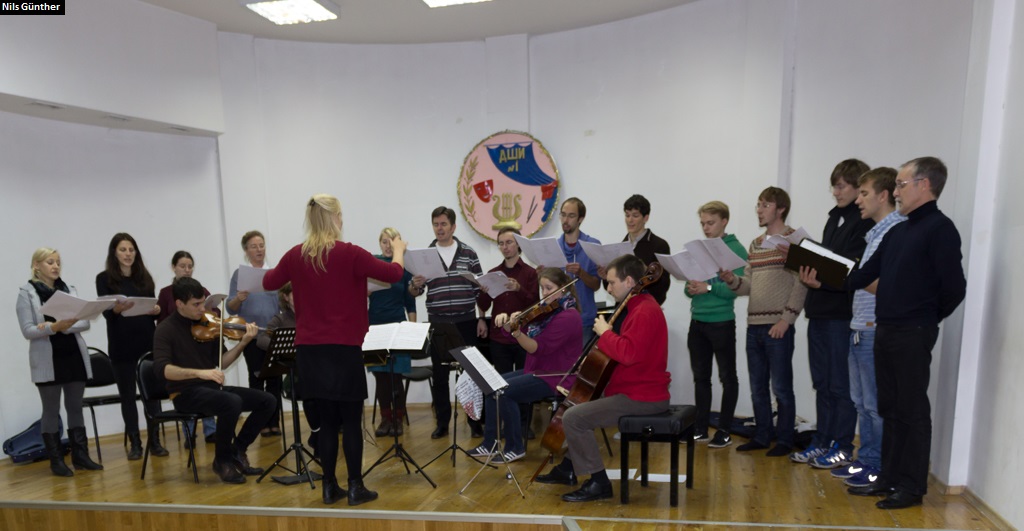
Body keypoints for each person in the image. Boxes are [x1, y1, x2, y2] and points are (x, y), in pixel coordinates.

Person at [263, 193, 407, 506]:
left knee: (327, 422)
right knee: (351, 421)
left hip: (310, 352)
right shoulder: (350, 253)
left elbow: (269, 281)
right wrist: (397, 251)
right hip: (343, 348)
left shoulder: (296, 254)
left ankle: (329, 487)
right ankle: (355, 487)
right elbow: (394, 274)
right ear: (336, 218)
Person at [844, 157, 966, 510]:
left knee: (911, 410)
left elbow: (954, 288)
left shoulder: (940, 229)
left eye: (900, 184)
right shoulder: (898, 231)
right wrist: (821, 276)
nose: (895, 192)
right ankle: (889, 477)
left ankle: (912, 487)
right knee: (890, 408)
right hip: (886, 329)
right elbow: (863, 275)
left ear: (924, 185)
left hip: (913, 331)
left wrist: (925, 319)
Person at [537, 254, 670, 503]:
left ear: (629, 281)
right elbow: (627, 353)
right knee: (581, 407)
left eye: (611, 282)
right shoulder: (638, 306)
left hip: (642, 397)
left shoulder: (643, 311)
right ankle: (568, 468)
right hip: (632, 391)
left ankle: (599, 482)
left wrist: (606, 333)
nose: (608, 288)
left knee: (574, 417)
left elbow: (628, 354)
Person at [806, 167, 905, 489]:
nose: (858, 200)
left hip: (875, 325)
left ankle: (876, 465)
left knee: (874, 405)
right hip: (858, 323)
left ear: (883, 195)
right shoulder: (874, 233)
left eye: (863, 193)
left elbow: (885, 284)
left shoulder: (895, 230)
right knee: (862, 402)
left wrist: (848, 275)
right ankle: (866, 460)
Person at [791, 159, 875, 468]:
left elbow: (851, 269)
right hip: (819, 311)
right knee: (822, 384)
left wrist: (823, 275)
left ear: (858, 187)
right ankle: (822, 441)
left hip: (841, 313)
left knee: (841, 386)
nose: (836, 192)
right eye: (834, 187)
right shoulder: (834, 219)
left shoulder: (864, 222)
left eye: (841, 186)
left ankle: (842, 444)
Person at [152, 277, 275, 484]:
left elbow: (223, 362)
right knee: (231, 402)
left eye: (203, 302)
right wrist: (200, 373)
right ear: (179, 304)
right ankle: (222, 461)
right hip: (184, 393)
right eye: (196, 305)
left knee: (267, 400)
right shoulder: (165, 329)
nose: (203, 309)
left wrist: (243, 343)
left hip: (211, 389)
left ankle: (237, 451)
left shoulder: (208, 324)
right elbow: (162, 369)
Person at [720, 187, 807, 457]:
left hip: (777, 326)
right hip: (754, 325)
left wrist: (786, 320)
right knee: (758, 388)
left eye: (765, 205)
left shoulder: (794, 241)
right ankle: (762, 435)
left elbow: (801, 283)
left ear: (780, 209)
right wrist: (732, 280)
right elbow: (748, 285)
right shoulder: (756, 244)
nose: (759, 210)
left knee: (781, 388)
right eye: (758, 205)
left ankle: (784, 440)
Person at [468, 267, 581, 463]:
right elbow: (523, 335)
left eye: (549, 288)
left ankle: (515, 447)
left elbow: (536, 347)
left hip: (556, 376)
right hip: (538, 370)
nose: (544, 293)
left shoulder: (568, 316)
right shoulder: (547, 313)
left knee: (503, 391)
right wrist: (508, 324)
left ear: (563, 288)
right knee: (492, 384)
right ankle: (490, 443)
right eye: (542, 288)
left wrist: (517, 332)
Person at [17, 248, 103, 477]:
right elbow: (27, 330)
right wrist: (54, 327)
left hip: (73, 354)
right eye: (50, 262)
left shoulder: (69, 290)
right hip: (48, 359)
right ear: (36, 265)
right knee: (51, 410)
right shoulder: (26, 293)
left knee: (75, 407)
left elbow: (84, 323)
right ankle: (56, 461)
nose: (55, 266)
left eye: (57, 262)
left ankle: (81, 456)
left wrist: (60, 327)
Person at [409, 206, 486, 440]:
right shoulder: (425, 255)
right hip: (438, 322)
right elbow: (415, 292)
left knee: (472, 374)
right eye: (436, 224)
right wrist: (414, 285)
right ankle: (442, 423)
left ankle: (475, 422)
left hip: (466, 321)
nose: (439, 228)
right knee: (440, 375)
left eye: (443, 224)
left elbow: (480, 289)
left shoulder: (469, 253)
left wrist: (481, 318)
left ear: (453, 227)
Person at [95, 232, 166, 460]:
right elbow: (107, 313)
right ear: (114, 253)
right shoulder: (104, 279)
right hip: (121, 345)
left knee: (152, 396)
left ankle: (155, 441)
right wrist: (117, 309)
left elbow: (152, 308)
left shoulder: (145, 278)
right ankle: (135, 443)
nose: (128, 254)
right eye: (123, 250)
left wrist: (156, 310)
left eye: (131, 249)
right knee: (127, 396)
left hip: (147, 342)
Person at [683, 201, 747, 448]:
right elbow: (689, 288)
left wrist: (708, 288)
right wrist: (691, 288)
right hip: (697, 320)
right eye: (703, 223)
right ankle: (700, 429)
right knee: (701, 378)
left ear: (724, 221)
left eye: (710, 223)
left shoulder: (735, 249)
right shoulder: (700, 249)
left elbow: (737, 289)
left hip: (721, 321)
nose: (706, 228)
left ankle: (725, 430)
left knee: (727, 377)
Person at [477, 227, 540, 437]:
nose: (505, 247)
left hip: (523, 337)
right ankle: (507, 426)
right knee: (501, 384)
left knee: (524, 384)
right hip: (499, 338)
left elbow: (535, 304)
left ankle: (524, 426)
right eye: (501, 243)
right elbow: (484, 305)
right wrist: (483, 292)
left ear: (518, 244)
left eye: (509, 242)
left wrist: (519, 289)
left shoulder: (530, 273)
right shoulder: (493, 272)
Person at [156, 250, 216, 447]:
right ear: (174, 267)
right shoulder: (166, 292)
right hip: (179, 347)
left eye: (190, 266)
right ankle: (189, 434)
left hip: (199, 340)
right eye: (183, 266)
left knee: (208, 383)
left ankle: (211, 431)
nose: (187, 270)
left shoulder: (201, 289)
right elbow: (161, 318)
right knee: (188, 386)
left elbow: (211, 312)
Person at [256, 282, 322, 457]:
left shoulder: (314, 314)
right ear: (285, 297)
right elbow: (261, 339)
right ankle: (317, 434)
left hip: (317, 370)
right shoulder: (280, 319)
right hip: (297, 375)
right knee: (311, 392)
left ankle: (321, 434)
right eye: (295, 293)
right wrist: (283, 347)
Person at [228, 230, 282, 437]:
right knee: (256, 378)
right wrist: (239, 298)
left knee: (275, 379)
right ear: (246, 250)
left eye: (261, 245)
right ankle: (261, 423)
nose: (259, 249)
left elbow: (282, 304)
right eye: (254, 246)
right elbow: (231, 308)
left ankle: (274, 422)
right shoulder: (239, 275)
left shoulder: (274, 273)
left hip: (272, 334)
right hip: (250, 335)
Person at [367, 228, 417, 438]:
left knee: (396, 377)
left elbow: (410, 302)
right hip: (375, 326)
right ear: (380, 243)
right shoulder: (372, 263)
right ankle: (385, 418)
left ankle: (397, 419)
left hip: (398, 325)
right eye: (384, 241)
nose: (388, 246)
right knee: (380, 376)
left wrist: (412, 330)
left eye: (392, 241)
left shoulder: (404, 267)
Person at [601, 194, 671, 306]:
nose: (630, 220)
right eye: (627, 215)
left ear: (646, 218)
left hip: (645, 306)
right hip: (623, 307)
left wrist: (644, 272)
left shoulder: (659, 245)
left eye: (635, 215)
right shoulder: (620, 246)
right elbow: (613, 286)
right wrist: (605, 278)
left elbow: (663, 285)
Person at [554, 198, 602, 346]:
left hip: (584, 320)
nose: (565, 220)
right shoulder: (554, 247)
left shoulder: (592, 245)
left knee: (580, 361)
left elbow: (596, 285)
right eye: (563, 215)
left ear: (580, 219)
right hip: (558, 319)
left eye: (571, 216)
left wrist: (581, 273)